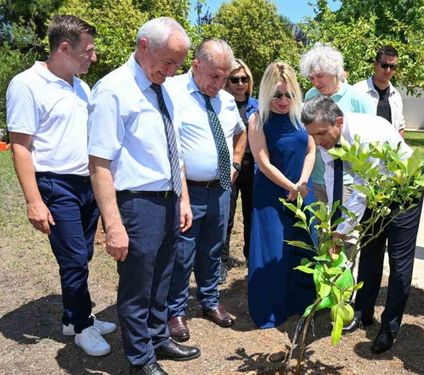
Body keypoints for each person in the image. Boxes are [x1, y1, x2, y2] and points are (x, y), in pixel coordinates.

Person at [88, 17, 200, 374]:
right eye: (167, 61)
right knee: (138, 286)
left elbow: (175, 150)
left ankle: (157, 338)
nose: (171, 71)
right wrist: (114, 225)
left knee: (163, 278)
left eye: (177, 64)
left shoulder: (162, 89)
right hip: (137, 202)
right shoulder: (113, 90)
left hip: (167, 199)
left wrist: (182, 198)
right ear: (143, 46)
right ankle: (140, 359)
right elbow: (99, 163)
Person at [6, 14, 115, 357]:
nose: (93, 57)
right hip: (55, 184)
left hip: (86, 184)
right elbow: (21, 146)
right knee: (74, 258)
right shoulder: (26, 84)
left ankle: (73, 317)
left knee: (83, 254)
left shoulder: (81, 87)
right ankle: (82, 327)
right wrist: (33, 200)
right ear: (65, 48)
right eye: (89, 50)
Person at [301, 95, 423, 354]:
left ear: (339, 121)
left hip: (403, 191)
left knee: (399, 264)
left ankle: (390, 329)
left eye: (321, 133)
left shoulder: (366, 135)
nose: (318, 141)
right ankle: (362, 312)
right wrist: (334, 219)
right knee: (370, 251)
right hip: (375, 191)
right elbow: (335, 178)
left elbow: (363, 192)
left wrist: (341, 232)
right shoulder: (326, 138)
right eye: (313, 136)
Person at [164, 39, 246, 343]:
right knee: (182, 252)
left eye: (225, 77)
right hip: (189, 191)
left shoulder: (225, 100)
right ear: (195, 65)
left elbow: (241, 132)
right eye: (214, 76)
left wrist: (235, 163)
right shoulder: (172, 92)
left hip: (221, 188)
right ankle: (175, 311)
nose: (220, 83)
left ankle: (210, 302)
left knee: (213, 248)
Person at [247, 62, 316, 330]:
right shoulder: (258, 119)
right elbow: (263, 162)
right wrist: (290, 185)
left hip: (301, 192)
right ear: (267, 94)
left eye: (288, 95)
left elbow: (311, 150)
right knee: (273, 251)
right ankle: (270, 310)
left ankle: (300, 303)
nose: (283, 101)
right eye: (277, 95)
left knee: (300, 249)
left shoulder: (301, 117)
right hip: (271, 195)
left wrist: (302, 182)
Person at [299, 43, 374, 203]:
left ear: (334, 70)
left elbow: (370, 144)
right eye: (311, 78)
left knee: (343, 227)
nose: (316, 83)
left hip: (348, 181)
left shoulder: (359, 99)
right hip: (317, 179)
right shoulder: (310, 96)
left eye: (319, 76)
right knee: (319, 227)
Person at [221, 58, 259, 277]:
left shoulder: (258, 105)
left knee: (251, 214)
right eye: (235, 79)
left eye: (244, 79)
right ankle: (221, 261)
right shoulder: (222, 103)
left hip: (253, 166)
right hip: (230, 166)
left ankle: (251, 256)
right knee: (226, 214)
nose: (240, 83)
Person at [353, 45, 406, 137]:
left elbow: (400, 127)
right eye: (384, 65)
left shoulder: (396, 96)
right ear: (375, 64)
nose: (388, 70)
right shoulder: (357, 91)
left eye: (392, 66)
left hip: (389, 150)